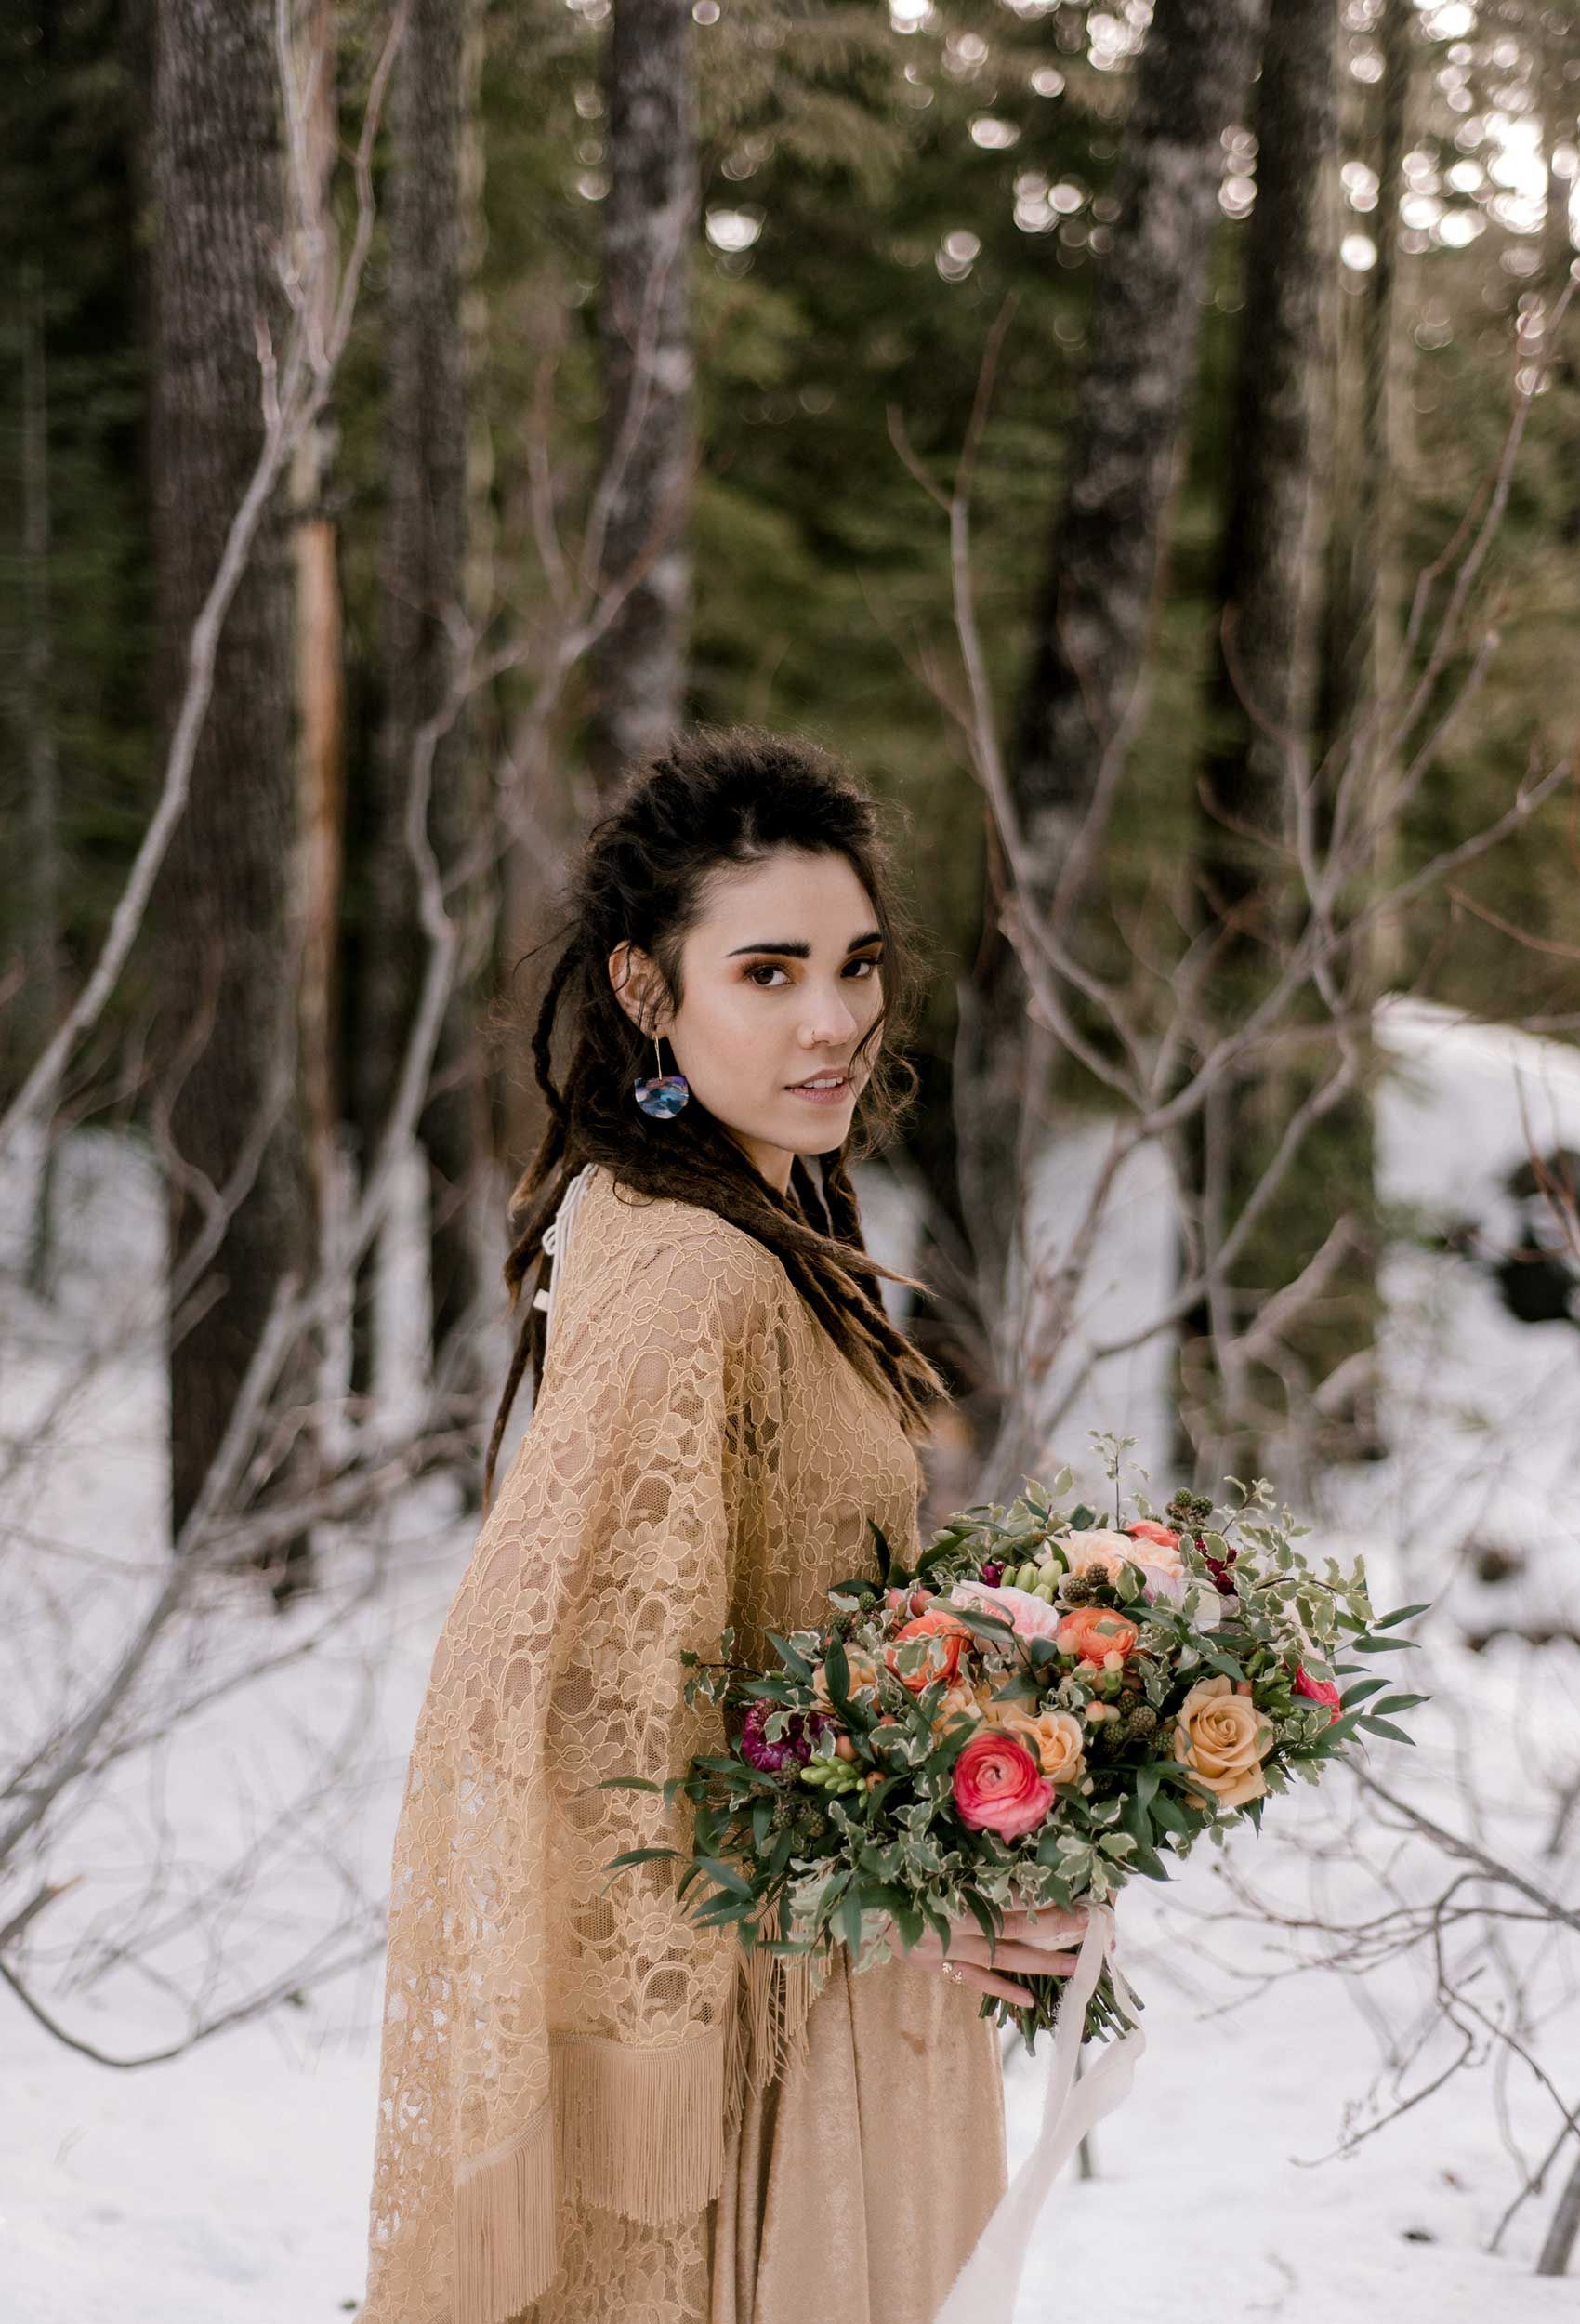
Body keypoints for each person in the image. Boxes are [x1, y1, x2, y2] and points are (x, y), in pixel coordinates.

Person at [359, 727, 1088, 2324]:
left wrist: (990, 1790)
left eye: (857, 963)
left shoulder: (703, 1217)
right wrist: (911, 1891)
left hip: (834, 2011)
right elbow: (565, 1697)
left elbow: (766, 1659)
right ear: (645, 990)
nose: (833, 1021)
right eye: (768, 972)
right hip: (761, 2092)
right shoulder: (705, 1278)